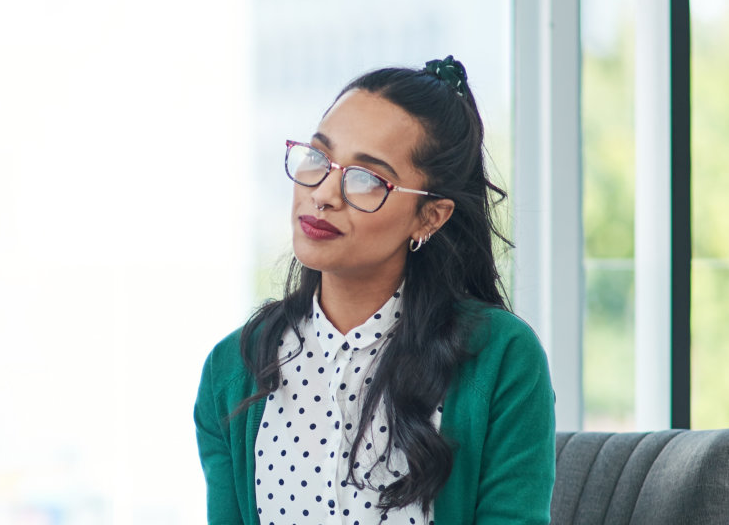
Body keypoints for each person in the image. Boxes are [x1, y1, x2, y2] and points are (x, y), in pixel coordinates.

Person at [194, 58, 554, 525]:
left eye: (366, 179)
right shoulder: (233, 371)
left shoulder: (502, 358)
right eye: (319, 158)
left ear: (430, 217)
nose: (324, 193)